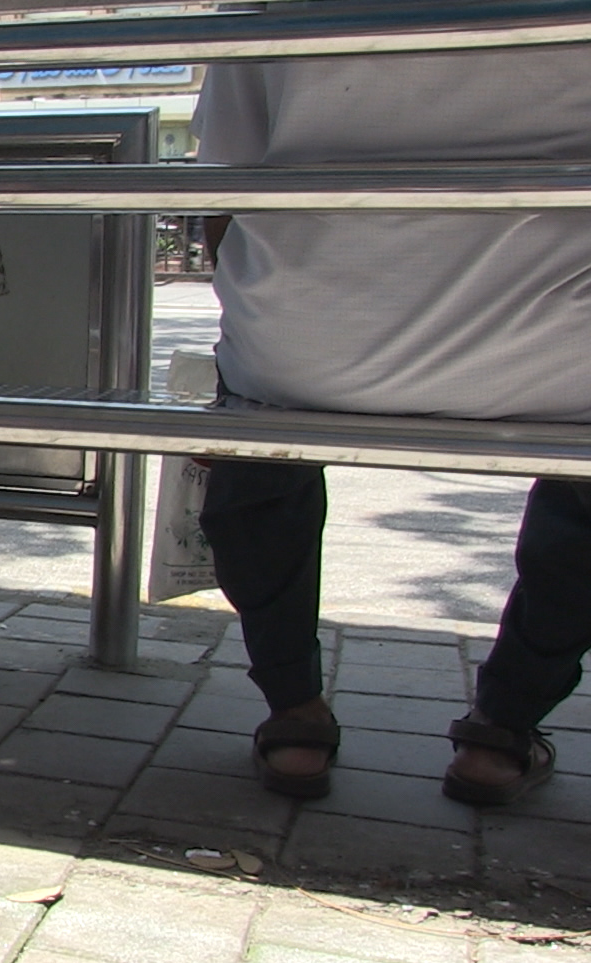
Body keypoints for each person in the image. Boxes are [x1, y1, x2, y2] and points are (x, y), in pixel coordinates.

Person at [191, 48, 591, 805]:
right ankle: (502, 730)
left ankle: (294, 716)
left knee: (260, 428)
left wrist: (252, 310)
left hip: (310, 343)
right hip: (563, 346)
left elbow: (225, 183)